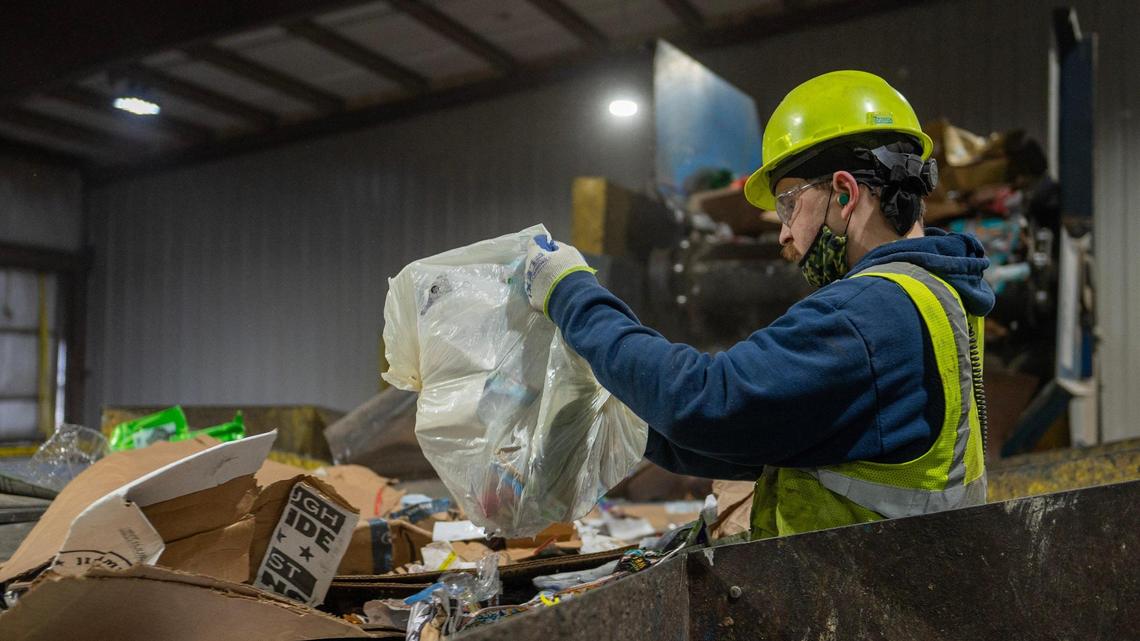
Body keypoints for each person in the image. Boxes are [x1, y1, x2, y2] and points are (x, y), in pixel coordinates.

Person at [523, 70, 994, 539]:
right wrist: (633, 427)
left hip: (855, 594)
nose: (784, 233)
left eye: (789, 205)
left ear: (846, 193)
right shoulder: (938, 294)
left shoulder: (869, 311)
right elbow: (774, 436)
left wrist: (571, 293)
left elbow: (707, 401)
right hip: (907, 578)